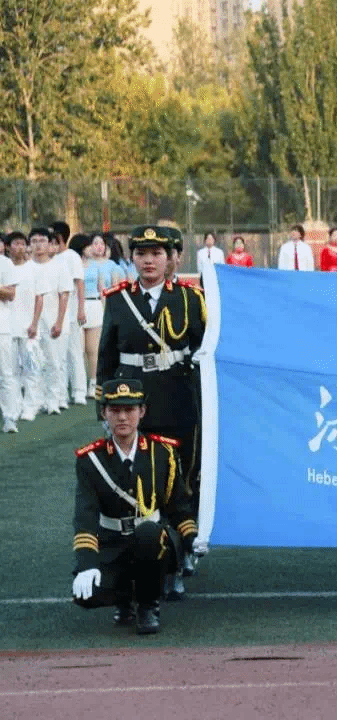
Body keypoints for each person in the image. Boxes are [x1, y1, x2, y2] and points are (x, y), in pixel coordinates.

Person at [97, 226, 205, 546]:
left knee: (183, 471)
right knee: (140, 473)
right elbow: (106, 357)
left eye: (156, 253)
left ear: (169, 258)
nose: (148, 261)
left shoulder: (189, 298)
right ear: (131, 257)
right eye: (141, 253)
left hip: (178, 397)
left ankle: (184, 543)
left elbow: (204, 351)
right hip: (132, 399)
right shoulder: (118, 300)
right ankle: (144, 544)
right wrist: (104, 407)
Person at [70, 378, 199, 634]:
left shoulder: (163, 452)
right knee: (87, 595)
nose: (122, 417)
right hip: (112, 542)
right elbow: (85, 516)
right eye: (115, 410)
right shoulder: (90, 459)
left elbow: (178, 506)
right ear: (104, 413)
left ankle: (148, 605)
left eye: (129, 410)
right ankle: (125, 598)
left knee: (148, 533)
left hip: (153, 541)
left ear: (142, 412)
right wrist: (86, 563)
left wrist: (192, 538)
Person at [3, 232, 42, 424]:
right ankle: (15, 406)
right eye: (15, 244)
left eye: (22, 243)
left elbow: (39, 298)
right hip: (8, 326)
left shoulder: (33, 268)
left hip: (28, 326)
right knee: (11, 371)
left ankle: (31, 406)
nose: (19, 247)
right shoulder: (5, 267)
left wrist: (34, 323)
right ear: (8, 247)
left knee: (31, 368)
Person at [33, 228, 72, 415]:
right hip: (32, 324)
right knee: (36, 363)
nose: (38, 245)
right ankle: (39, 399)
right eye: (34, 241)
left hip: (54, 321)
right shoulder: (26, 268)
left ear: (50, 244)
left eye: (42, 241)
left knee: (56, 362)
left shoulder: (59, 266)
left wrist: (59, 322)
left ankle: (56, 399)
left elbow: (64, 295)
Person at [77, 233, 117, 402]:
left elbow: (102, 290)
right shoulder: (74, 264)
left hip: (94, 305)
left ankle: (93, 384)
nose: (92, 248)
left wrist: (105, 310)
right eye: (90, 245)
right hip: (77, 306)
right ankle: (78, 385)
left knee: (93, 350)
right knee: (79, 350)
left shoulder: (97, 266)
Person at [52, 222, 88, 407]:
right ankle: (61, 393)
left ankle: (79, 391)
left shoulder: (71, 256)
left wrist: (81, 309)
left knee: (74, 351)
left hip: (72, 313)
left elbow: (80, 284)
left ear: (59, 237)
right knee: (57, 355)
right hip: (54, 313)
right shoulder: (49, 258)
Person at [0, 243, 17, 432]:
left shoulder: (4, 263)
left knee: (5, 373)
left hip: (2, 327)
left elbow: (11, 293)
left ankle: (9, 417)